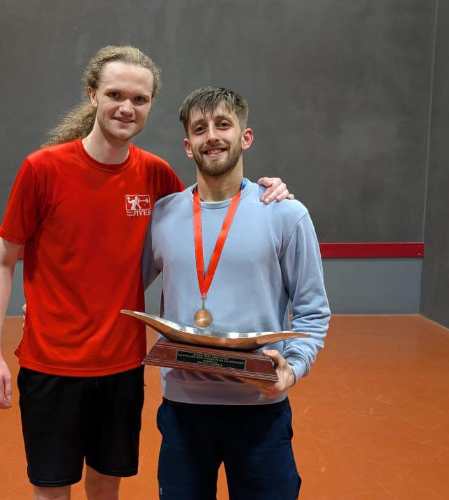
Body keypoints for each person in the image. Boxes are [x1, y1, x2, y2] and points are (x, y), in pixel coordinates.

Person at [0, 46, 292, 500]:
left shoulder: (155, 175)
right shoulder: (42, 169)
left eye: (139, 99)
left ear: (149, 105)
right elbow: (2, 260)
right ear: (93, 95)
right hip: (51, 364)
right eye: (115, 95)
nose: (126, 107)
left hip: (122, 367)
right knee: (51, 490)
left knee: (106, 487)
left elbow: (206, 214)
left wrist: (267, 189)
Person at [142, 86, 331, 499]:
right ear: (188, 146)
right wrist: (49, 299)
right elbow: (117, 285)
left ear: (245, 137)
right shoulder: (163, 215)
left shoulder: (285, 213)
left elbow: (313, 311)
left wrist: (291, 370)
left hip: (260, 410)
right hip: (183, 411)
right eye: (200, 128)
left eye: (223, 124)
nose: (212, 136)